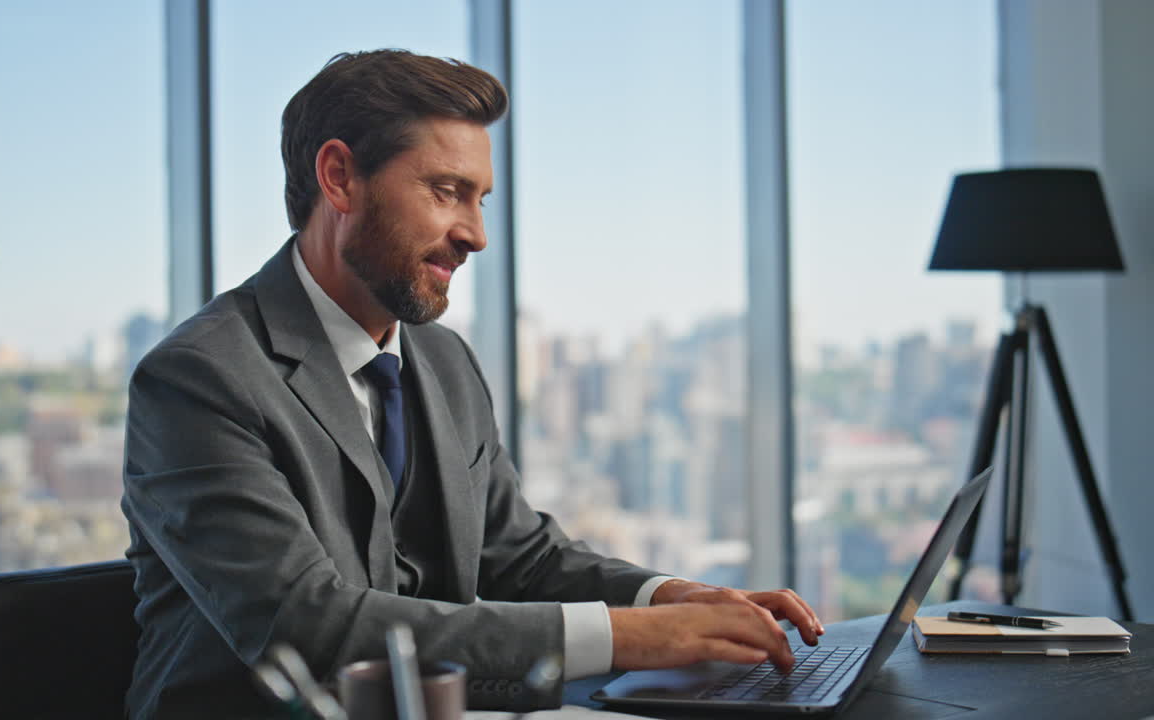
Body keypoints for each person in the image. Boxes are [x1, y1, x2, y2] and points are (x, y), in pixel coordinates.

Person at [121, 49, 823, 719]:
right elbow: (307, 628)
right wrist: (628, 637)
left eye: (481, 199)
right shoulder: (199, 379)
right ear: (339, 177)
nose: (476, 235)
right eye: (447, 192)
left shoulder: (445, 360)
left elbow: (519, 555)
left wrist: (670, 599)